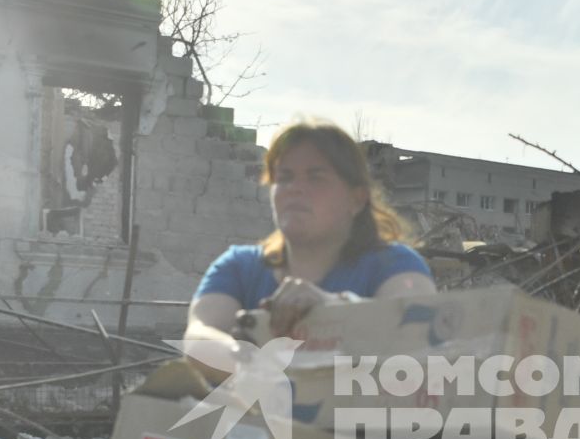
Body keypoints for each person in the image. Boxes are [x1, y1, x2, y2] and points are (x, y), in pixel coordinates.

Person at [184, 119, 436, 352]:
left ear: (356, 199)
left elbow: (417, 333)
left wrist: (333, 311)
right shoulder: (239, 267)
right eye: (284, 177)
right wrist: (243, 357)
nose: (295, 189)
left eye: (316, 178)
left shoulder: (395, 264)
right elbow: (198, 337)